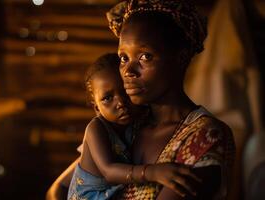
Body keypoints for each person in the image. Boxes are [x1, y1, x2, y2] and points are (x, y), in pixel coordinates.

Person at [47, 0, 235, 199]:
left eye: (145, 56)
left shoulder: (205, 136)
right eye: (123, 58)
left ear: (181, 57)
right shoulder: (125, 124)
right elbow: (57, 190)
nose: (128, 71)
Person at [67, 53, 201, 200]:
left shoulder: (140, 120)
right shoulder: (96, 129)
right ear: (97, 108)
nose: (120, 103)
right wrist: (153, 173)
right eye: (107, 98)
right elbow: (109, 171)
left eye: (124, 91)